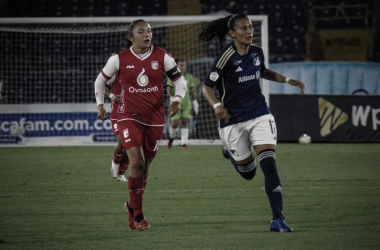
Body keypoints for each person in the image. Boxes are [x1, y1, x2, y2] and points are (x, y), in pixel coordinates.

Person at [200, 14, 305, 232]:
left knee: (269, 164)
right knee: (248, 173)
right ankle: (230, 153)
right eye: (243, 28)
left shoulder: (257, 51)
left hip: (259, 114)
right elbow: (206, 87)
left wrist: (286, 80)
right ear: (232, 34)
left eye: (250, 27)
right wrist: (217, 106)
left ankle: (278, 219)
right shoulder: (225, 57)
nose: (249, 31)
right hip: (233, 121)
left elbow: (262, 71)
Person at [94, 19, 187, 231]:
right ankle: (139, 215)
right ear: (130, 37)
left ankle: (130, 206)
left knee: (144, 169)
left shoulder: (163, 56)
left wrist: (177, 100)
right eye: (141, 31)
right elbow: (100, 81)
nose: (147, 35)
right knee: (136, 162)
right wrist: (101, 105)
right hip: (128, 115)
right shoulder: (119, 59)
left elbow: (180, 82)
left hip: (155, 118)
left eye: (150, 31)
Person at [166, 59, 199, 149]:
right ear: (177, 67)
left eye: (184, 65)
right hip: (175, 104)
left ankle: (184, 143)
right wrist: (172, 98)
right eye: (180, 65)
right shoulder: (172, 76)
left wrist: (195, 101)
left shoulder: (189, 77)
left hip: (186, 103)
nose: (182, 67)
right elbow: (169, 88)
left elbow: (192, 91)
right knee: (175, 123)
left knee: (185, 122)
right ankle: (171, 138)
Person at [104, 74, 129, 182]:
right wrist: (111, 96)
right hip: (117, 114)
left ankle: (120, 174)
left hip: (131, 113)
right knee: (122, 142)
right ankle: (115, 165)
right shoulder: (115, 74)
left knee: (132, 146)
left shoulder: (134, 72)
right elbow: (100, 84)